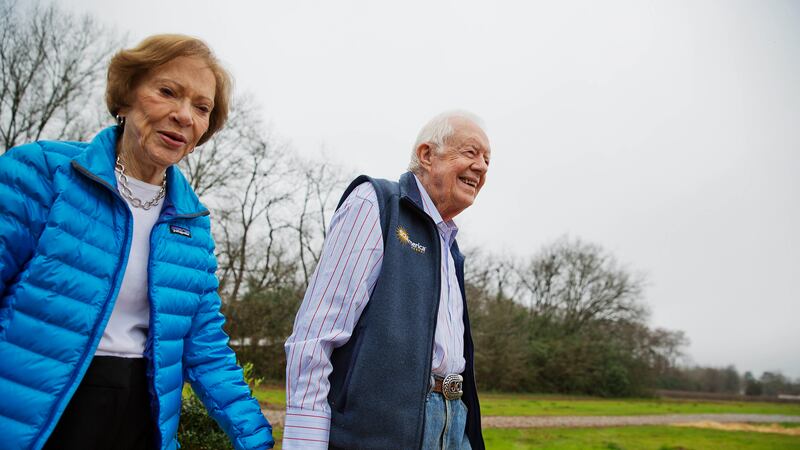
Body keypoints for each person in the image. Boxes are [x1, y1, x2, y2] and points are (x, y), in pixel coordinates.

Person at [0, 34, 273, 450]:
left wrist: (255, 436)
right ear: (125, 97)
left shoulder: (191, 224)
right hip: (39, 415)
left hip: (139, 419)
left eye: (202, 108)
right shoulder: (40, 172)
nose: (184, 116)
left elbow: (205, 347)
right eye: (167, 92)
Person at [283, 111, 490, 449]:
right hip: (382, 432)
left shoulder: (451, 248)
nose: (481, 167)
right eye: (470, 152)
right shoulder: (376, 203)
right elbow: (313, 339)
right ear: (427, 154)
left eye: (486, 159)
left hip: (455, 423)